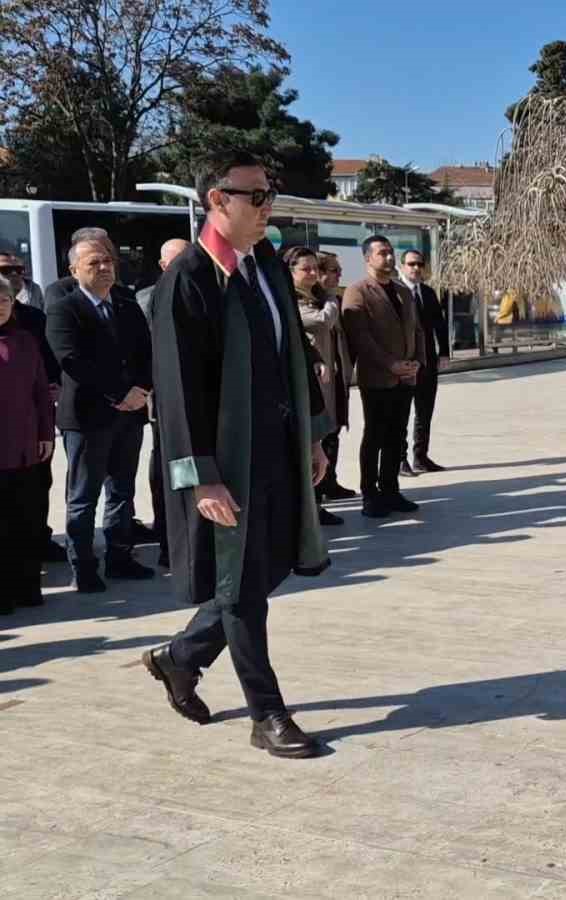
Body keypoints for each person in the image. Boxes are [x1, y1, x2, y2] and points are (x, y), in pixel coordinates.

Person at [140, 151, 331, 758]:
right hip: (227, 462)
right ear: (217, 201)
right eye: (254, 196)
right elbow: (176, 392)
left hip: (277, 449)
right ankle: (267, 713)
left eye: (269, 193)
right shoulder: (190, 279)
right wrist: (202, 478)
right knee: (243, 585)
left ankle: (182, 656)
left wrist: (315, 436)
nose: (266, 205)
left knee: (271, 565)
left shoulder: (266, 263)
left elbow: (293, 356)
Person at [45, 235, 155, 592]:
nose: (104, 268)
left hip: (130, 415)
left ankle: (120, 557)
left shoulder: (125, 303)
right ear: (74, 269)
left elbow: (145, 350)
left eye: (108, 261)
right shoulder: (65, 308)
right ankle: (84, 566)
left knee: (122, 490)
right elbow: (71, 359)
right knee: (83, 496)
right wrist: (118, 393)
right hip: (88, 418)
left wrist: (142, 390)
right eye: (94, 263)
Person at [342, 235, 423, 519]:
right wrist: (390, 365)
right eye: (382, 253)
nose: (388, 258)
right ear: (367, 258)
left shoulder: (403, 291)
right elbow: (361, 338)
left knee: (396, 436)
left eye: (390, 253)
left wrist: (417, 362)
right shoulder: (357, 292)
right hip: (378, 378)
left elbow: (416, 330)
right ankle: (370, 494)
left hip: (406, 378)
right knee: (375, 435)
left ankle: (391, 489)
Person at [1, 249, 64, 564]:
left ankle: (39, 540)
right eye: (5, 269)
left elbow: (49, 365)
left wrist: (53, 386)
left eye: (17, 270)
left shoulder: (33, 320)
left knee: (37, 486)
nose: (13, 276)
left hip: (31, 422)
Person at [135, 238, 190, 567]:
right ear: (162, 266)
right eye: (175, 261)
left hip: (204, 401)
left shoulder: (209, 295)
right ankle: (170, 544)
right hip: (165, 403)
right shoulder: (146, 300)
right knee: (169, 472)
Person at [0, 276, 53, 614]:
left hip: (26, 447)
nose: (1, 306)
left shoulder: (25, 341)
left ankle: (27, 587)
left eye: (5, 300)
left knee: (28, 520)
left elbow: (41, 393)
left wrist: (46, 433)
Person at [285, 246, 345, 527]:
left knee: (327, 436)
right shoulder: (293, 301)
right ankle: (312, 505)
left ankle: (322, 493)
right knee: (313, 438)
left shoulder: (315, 297)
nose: (312, 274)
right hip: (308, 382)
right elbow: (322, 321)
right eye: (306, 269)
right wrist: (332, 298)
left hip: (327, 378)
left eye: (315, 269)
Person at [398, 249, 449, 476]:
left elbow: (440, 325)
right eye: (411, 264)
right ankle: (400, 461)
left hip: (428, 363)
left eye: (419, 264)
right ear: (402, 267)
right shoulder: (396, 293)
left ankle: (421, 456)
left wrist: (444, 353)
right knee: (401, 414)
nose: (416, 268)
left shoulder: (428, 293)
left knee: (424, 412)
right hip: (405, 364)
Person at [311, 252, 356, 500]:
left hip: (339, 375)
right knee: (321, 432)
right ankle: (317, 491)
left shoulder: (334, 300)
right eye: (334, 270)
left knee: (335, 429)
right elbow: (322, 322)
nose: (339, 275)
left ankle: (331, 481)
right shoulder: (314, 302)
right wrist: (329, 298)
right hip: (320, 379)